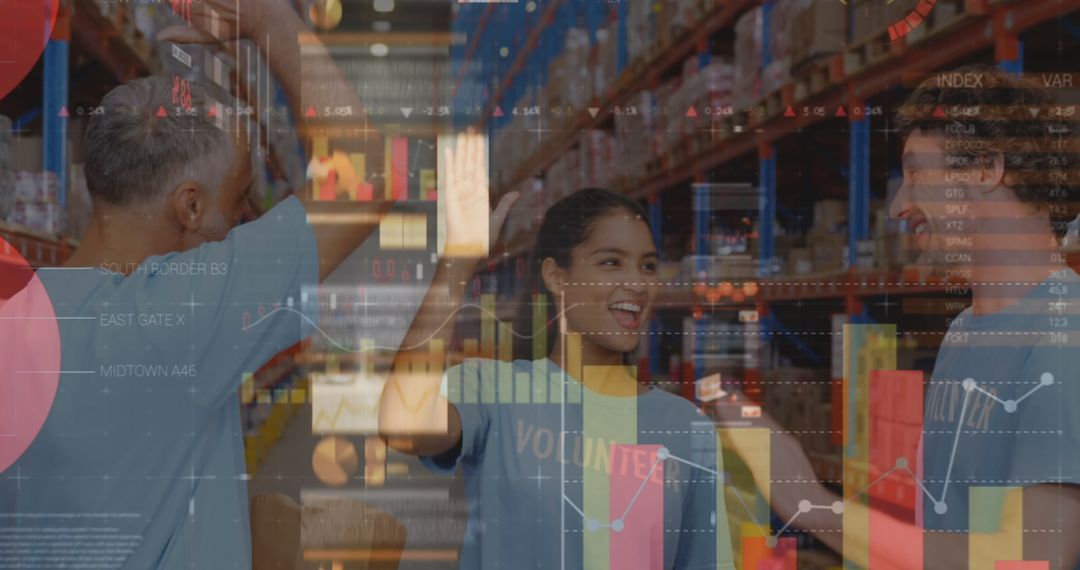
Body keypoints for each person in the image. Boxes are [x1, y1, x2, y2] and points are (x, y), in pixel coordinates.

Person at [0, 0, 393, 568]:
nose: (238, 226)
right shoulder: (176, 313)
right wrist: (272, 23)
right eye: (235, 206)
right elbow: (365, 178)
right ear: (189, 205)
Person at [716, 65, 1080, 569]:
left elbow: (1033, 560)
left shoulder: (1063, 337)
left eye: (915, 173)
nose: (897, 206)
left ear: (985, 169)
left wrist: (811, 504)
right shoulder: (965, 332)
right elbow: (958, 532)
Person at [378, 166, 736, 568]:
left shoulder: (687, 427)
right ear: (556, 276)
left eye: (648, 266)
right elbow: (403, 424)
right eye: (611, 263)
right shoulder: (496, 391)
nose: (637, 282)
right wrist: (457, 265)